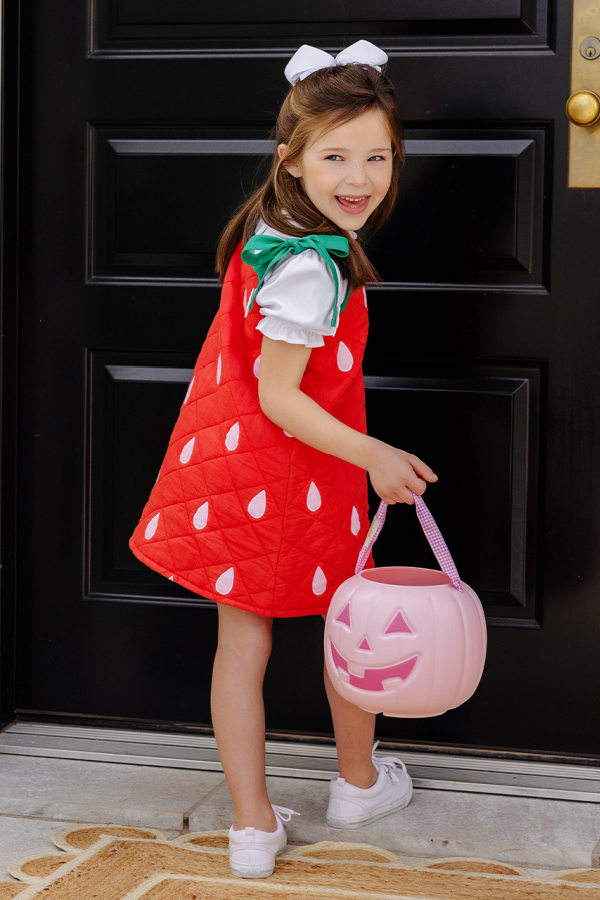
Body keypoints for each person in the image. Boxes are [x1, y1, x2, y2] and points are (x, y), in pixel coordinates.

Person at [129, 39, 438, 879]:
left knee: (243, 643)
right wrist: (376, 452)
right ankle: (358, 781)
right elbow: (282, 397)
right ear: (292, 161)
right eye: (336, 155)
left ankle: (253, 829)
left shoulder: (274, 227)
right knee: (351, 627)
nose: (361, 177)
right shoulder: (310, 266)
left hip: (231, 469)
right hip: (294, 469)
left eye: (377, 156)